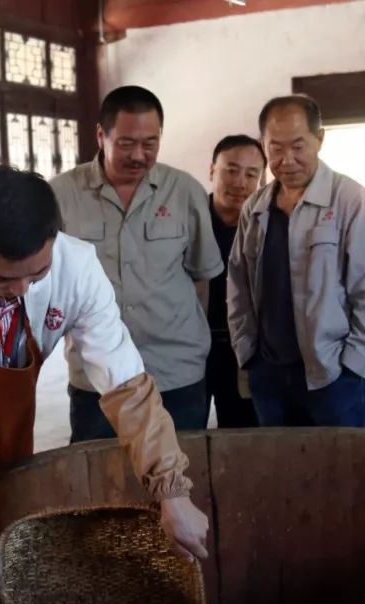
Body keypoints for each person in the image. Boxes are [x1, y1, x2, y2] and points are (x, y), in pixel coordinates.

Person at [0, 166, 210, 595]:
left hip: (9, 422)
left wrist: (171, 491)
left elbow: (124, 381)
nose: (20, 289)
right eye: (2, 278)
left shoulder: (77, 266)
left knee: (10, 523)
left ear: (55, 239)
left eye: (36, 274)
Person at [50, 86, 222, 442]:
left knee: (181, 478)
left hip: (176, 372)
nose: (139, 155)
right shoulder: (62, 196)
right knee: (99, 485)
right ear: (101, 136)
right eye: (126, 144)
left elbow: (201, 279)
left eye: (151, 143)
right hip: (96, 376)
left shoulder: (185, 192)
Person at [228, 95, 365, 427]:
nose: (287, 159)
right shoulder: (255, 208)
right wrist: (248, 353)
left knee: (344, 474)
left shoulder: (352, 202)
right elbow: (239, 288)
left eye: (298, 146)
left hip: (334, 378)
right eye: (275, 148)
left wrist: (353, 366)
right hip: (269, 376)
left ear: (320, 139)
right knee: (282, 474)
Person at [205, 135, 264, 428]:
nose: (241, 182)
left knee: (241, 435)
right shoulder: (187, 220)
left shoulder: (266, 226)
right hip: (193, 347)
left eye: (252, 174)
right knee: (180, 435)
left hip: (243, 349)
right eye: (231, 169)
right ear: (212, 170)